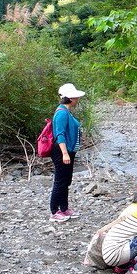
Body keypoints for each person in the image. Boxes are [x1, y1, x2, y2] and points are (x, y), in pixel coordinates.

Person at [49, 83, 85, 222]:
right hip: (61, 151)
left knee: (66, 181)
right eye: (75, 97)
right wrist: (64, 153)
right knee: (60, 181)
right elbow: (60, 135)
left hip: (68, 151)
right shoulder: (62, 113)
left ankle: (64, 209)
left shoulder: (66, 111)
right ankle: (54, 211)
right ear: (70, 98)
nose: (77, 99)